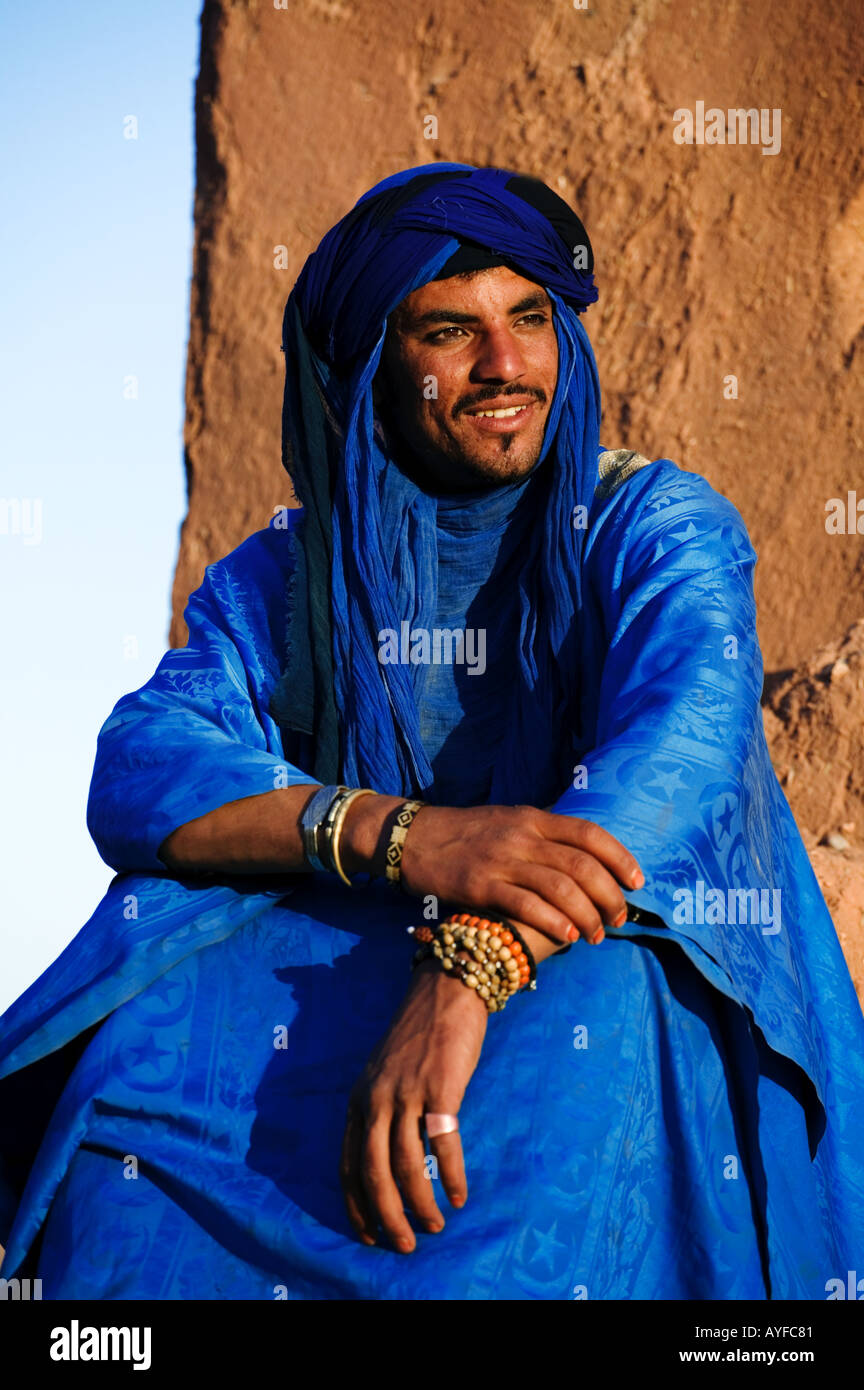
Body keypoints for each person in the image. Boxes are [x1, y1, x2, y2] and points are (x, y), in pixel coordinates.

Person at [1, 163, 862, 1301]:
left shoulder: (656, 527)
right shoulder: (287, 579)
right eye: (451, 331)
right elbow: (146, 764)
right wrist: (410, 838)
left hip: (587, 962)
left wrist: (473, 964)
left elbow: (683, 753)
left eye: (531, 320)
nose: (506, 367)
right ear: (371, 372)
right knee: (137, 1062)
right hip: (345, 968)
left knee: (593, 1034)